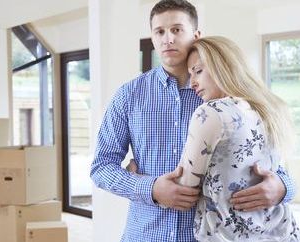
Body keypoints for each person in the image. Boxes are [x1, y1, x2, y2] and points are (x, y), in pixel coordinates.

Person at [90, 0, 296, 241]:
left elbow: (274, 168)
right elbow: (101, 167)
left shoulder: (228, 101)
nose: (168, 39)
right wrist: (150, 188)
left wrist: (282, 188)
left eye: (177, 29)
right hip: (145, 234)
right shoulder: (128, 96)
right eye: (159, 32)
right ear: (152, 38)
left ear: (196, 35)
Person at [176, 36, 299, 241]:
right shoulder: (270, 109)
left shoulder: (210, 112)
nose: (193, 83)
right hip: (284, 233)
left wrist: (138, 175)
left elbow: (184, 188)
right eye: (190, 75)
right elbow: (279, 174)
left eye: (198, 71)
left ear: (222, 66)